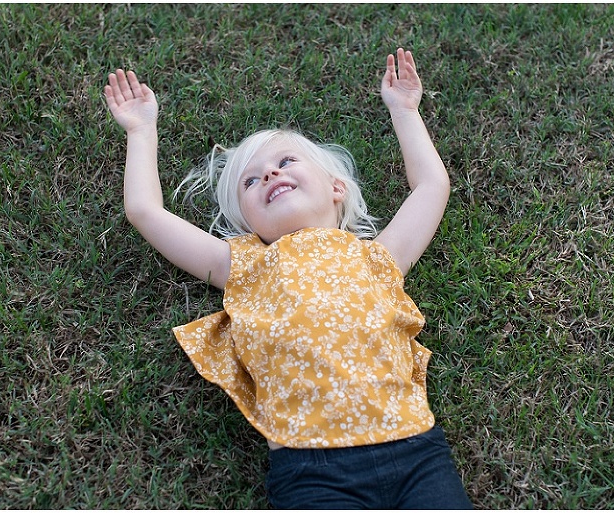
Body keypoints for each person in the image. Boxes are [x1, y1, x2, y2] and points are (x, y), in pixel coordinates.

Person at [104, 48, 472, 509]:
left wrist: (405, 111)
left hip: (417, 451)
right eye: (251, 182)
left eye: (286, 161)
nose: (270, 174)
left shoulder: (379, 258)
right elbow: (145, 212)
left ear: (337, 188)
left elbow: (431, 187)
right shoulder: (246, 265)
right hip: (313, 470)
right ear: (248, 223)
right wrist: (141, 131)